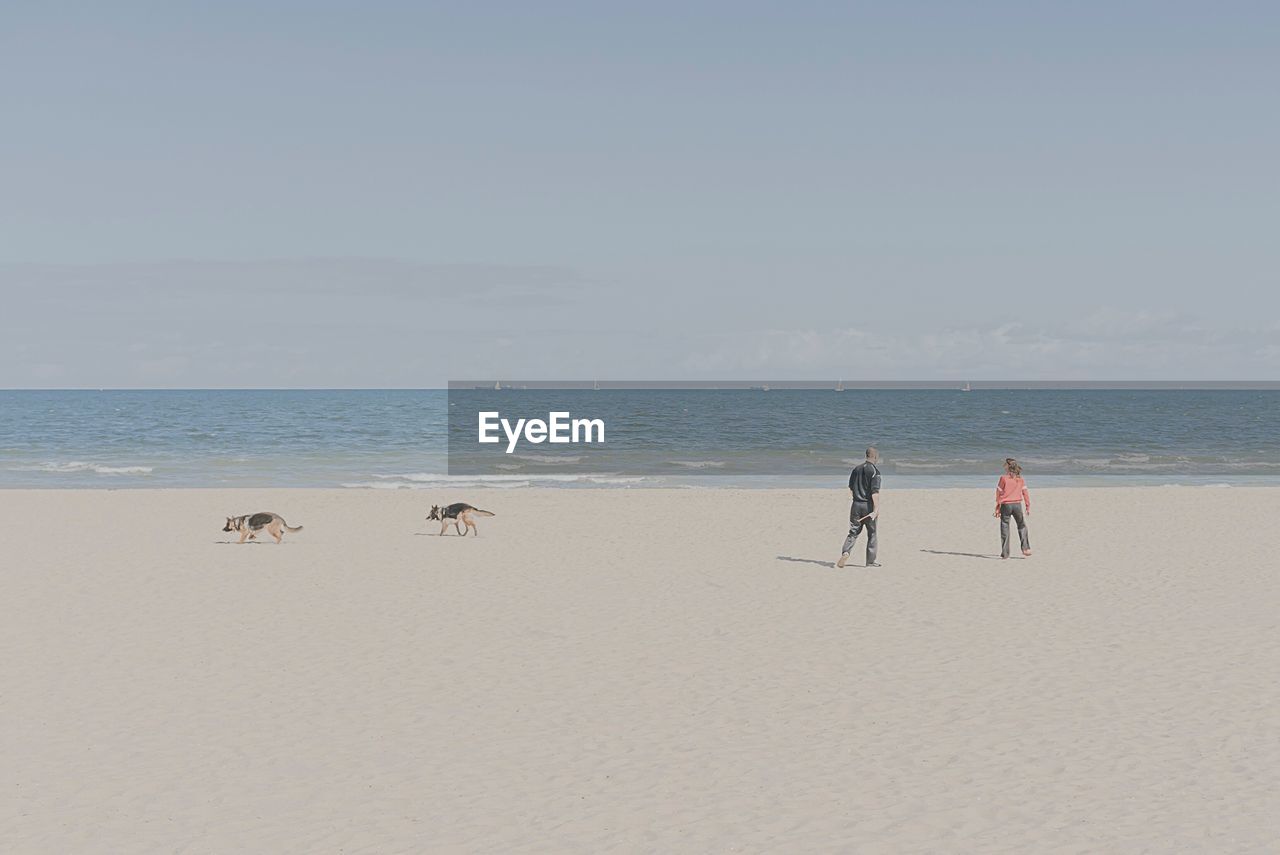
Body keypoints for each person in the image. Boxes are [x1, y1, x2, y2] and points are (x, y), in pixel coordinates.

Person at [837, 447, 882, 568]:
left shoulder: (856, 469)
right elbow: (875, 492)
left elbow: (851, 488)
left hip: (856, 505)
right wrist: (876, 509)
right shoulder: (874, 471)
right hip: (868, 505)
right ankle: (870, 561)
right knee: (872, 534)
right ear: (875, 457)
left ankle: (846, 552)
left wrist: (857, 497)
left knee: (853, 532)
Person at [994, 457, 1032, 559]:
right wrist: (1027, 506)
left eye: (1005, 464)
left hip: (1006, 505)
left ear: (1008, 466)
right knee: (1021, 525)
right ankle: (1026, 548)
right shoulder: (1020, 479)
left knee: (1005, 527)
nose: (1004, 466)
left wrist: (997, 506)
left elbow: (998, 493)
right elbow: (1025, 493)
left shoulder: (1003, 478)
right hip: (1017, 505)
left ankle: (1005, 554)